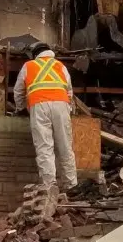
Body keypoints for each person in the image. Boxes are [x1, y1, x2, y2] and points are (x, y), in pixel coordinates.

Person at [13, 44, 77, 191]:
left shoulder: (29, 66)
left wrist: (21, 108)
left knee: (44, 147)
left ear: (35, 54)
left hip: (39, 106)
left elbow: (18, 91)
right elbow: (69, 91)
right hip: (61, 105)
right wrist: (68, 107)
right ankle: (71, 184)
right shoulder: (60, 65)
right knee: (65, 146)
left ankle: (49, 186)